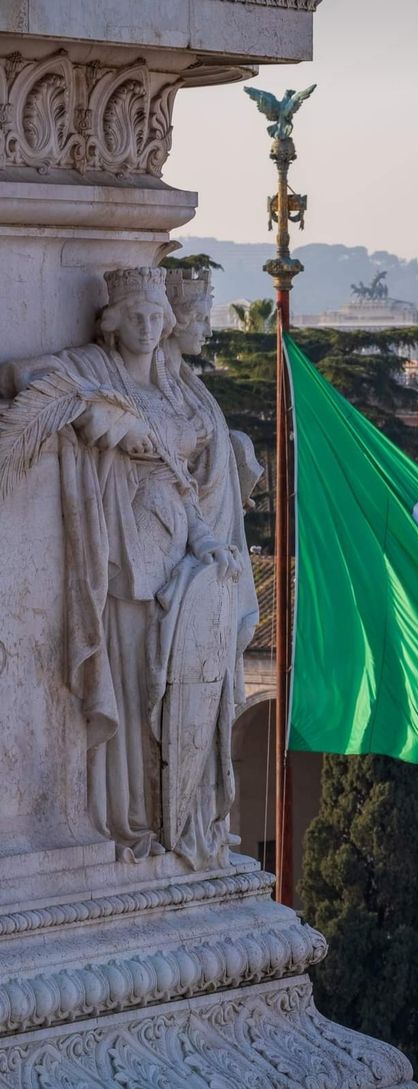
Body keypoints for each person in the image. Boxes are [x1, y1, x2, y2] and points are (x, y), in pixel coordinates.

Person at [0, 266, 258, 866]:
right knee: (140, 688)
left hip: (184, 559)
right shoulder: (96, 373)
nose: (147, 327)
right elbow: (26, 376)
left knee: (176, 694)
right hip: (130, 562)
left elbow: (185, 487)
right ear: (113, 325)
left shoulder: (179, 390)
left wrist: (207, 530)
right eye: (135, 316)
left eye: (154, 317)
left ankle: (182, 813)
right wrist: (80, 399)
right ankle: (133, 816)